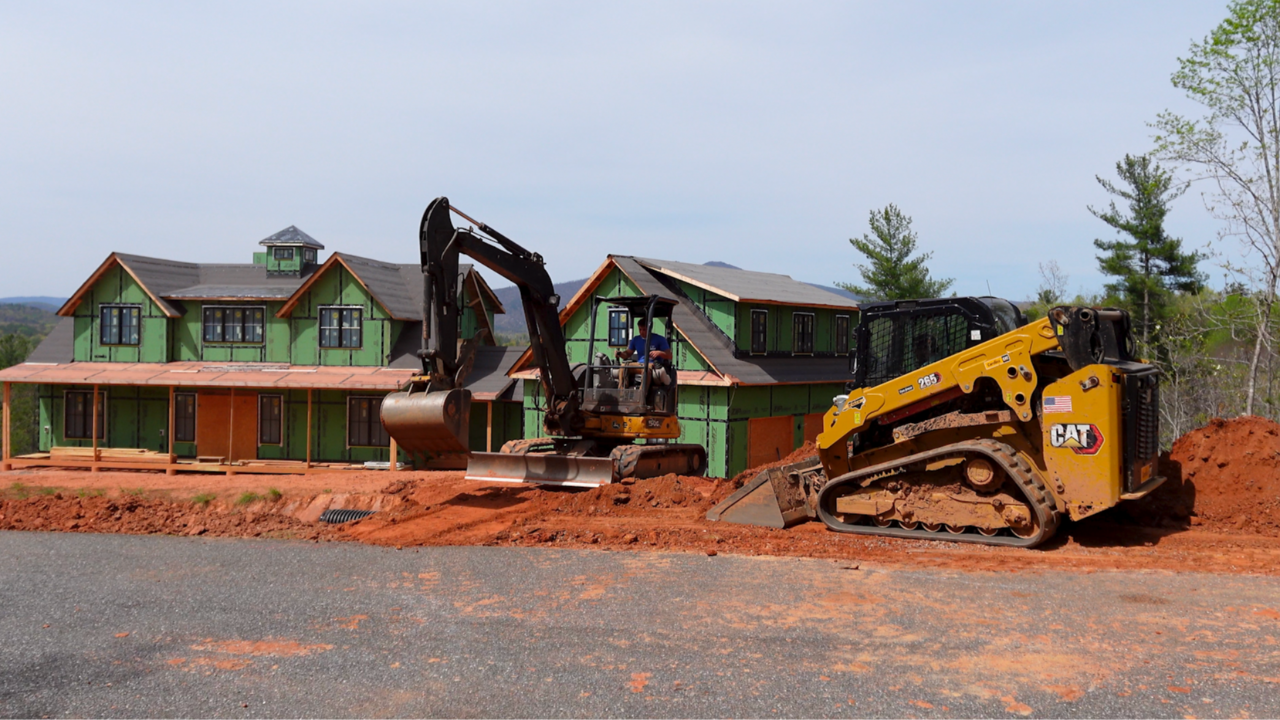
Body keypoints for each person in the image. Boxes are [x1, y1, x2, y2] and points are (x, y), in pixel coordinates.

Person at [615, 318, 672, 385]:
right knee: (624, 366)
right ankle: (622, 391)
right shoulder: (635, 340)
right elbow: (627, 353)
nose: (641, 332)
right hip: (639, 365)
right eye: (640, 329)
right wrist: (620, 354)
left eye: (644, 329)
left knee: (646, 370)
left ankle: (642, 393)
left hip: (651, 365)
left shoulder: (660, 339)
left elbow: (669, 355)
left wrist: (659, 353)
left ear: (649, 329)